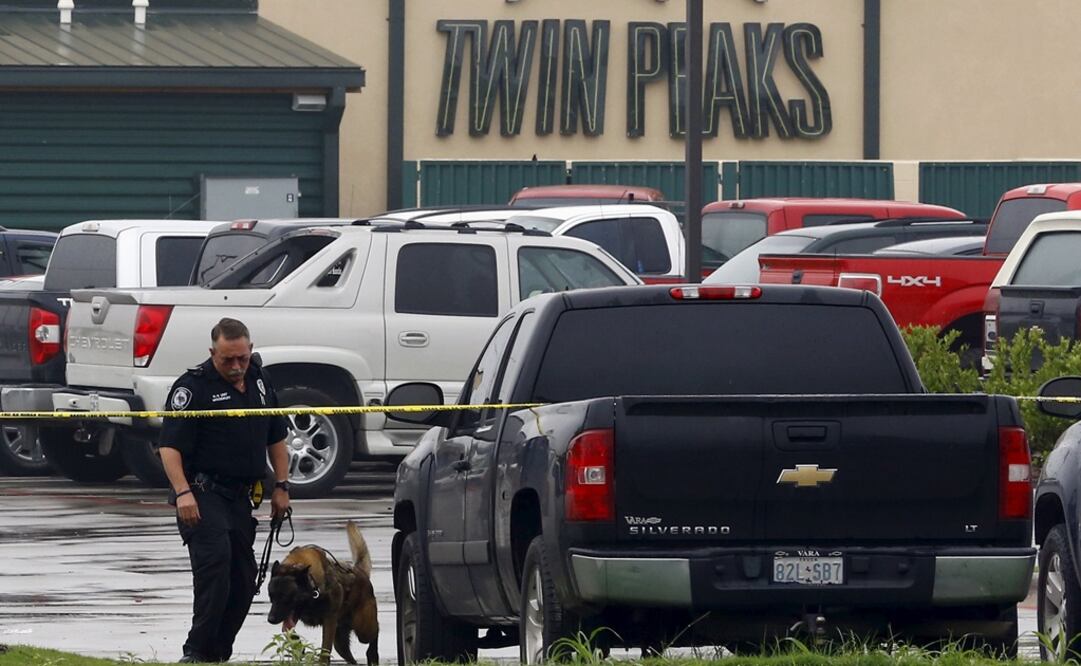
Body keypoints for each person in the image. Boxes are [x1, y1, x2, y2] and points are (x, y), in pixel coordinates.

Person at [159, 317, 291, 664]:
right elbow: (169, 447)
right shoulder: (194, 387)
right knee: (215, 568)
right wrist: (183, 493)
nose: (236, 366)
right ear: (212, 352)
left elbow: (277, 437)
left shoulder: (260, 380)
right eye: (227, 359)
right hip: (202, 493)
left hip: (240, 496)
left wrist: (281, 486)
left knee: (244, 578)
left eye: (242, 358)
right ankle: (196, 652)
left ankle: (218, 651)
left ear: (250, 351)